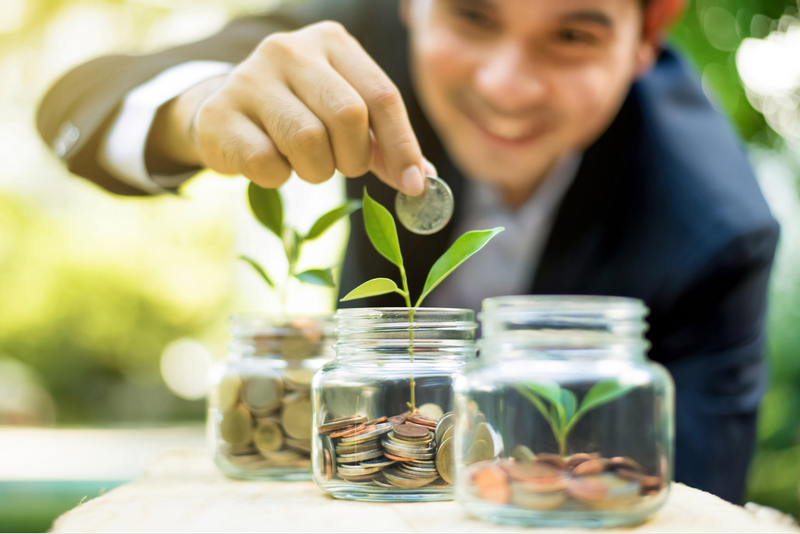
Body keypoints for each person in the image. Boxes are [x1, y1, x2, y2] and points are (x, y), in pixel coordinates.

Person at [37, 0, 779, 504]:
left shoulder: (714, 228)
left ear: (649, 34)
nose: (507, 85)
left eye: (574, 36)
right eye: (471, 14)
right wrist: (198, 109)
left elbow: (696, 497)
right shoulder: (352, 43)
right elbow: (78, 104)